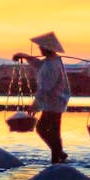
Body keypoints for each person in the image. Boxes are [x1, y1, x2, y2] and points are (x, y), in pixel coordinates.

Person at [14, 32, 71, 163]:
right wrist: (25, 56)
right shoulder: (52, 61)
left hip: (54, 101)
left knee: (42, 129)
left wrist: (35, 105)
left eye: (41, 47)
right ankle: (57, 157)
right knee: (54, 131)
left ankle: (58, 154)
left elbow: (45, 88)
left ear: (47, 48)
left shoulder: (52, 65)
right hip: (56, 101)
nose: (39, 49)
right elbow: (39, 65)